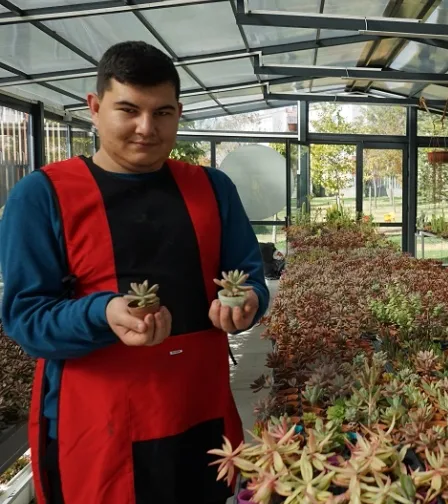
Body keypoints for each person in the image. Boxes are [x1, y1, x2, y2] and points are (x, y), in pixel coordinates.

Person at [0, 41, 270, 504]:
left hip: (200, 410)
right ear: (94, 107)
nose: (147, 128)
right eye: (129, 110)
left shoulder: (211, 188)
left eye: (162, 113)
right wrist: (103, 313)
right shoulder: (43, 195)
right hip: (97, 426)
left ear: (178, 113)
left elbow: (248, 275)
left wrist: (249, 303)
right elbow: (26, 319)